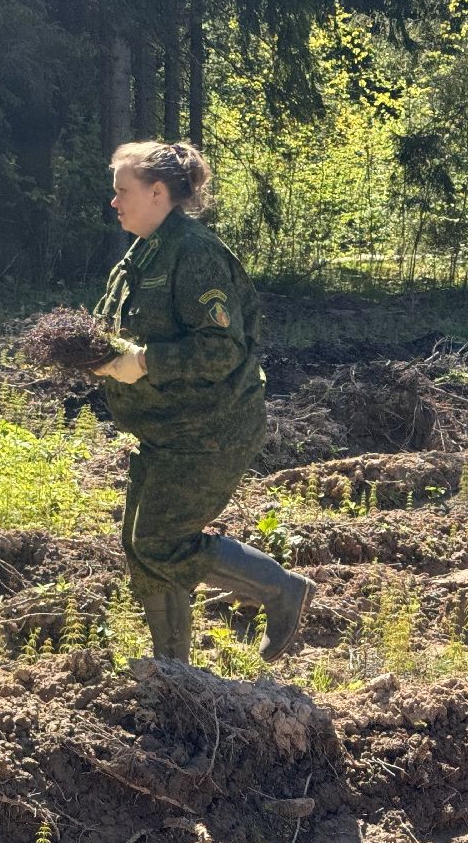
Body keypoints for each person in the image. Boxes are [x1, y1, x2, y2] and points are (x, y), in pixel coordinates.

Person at [91, 140, 314, 662]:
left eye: (122, 191)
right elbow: (116, 325)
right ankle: (175, 672)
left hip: (210, 429)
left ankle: (281, 590)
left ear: (158, 191)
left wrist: (144, 363)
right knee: (143, 544)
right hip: (166, 429)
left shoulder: (194, 254)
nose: (114, 202)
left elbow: (219, 350)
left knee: (161, 542)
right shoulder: (141, 254)